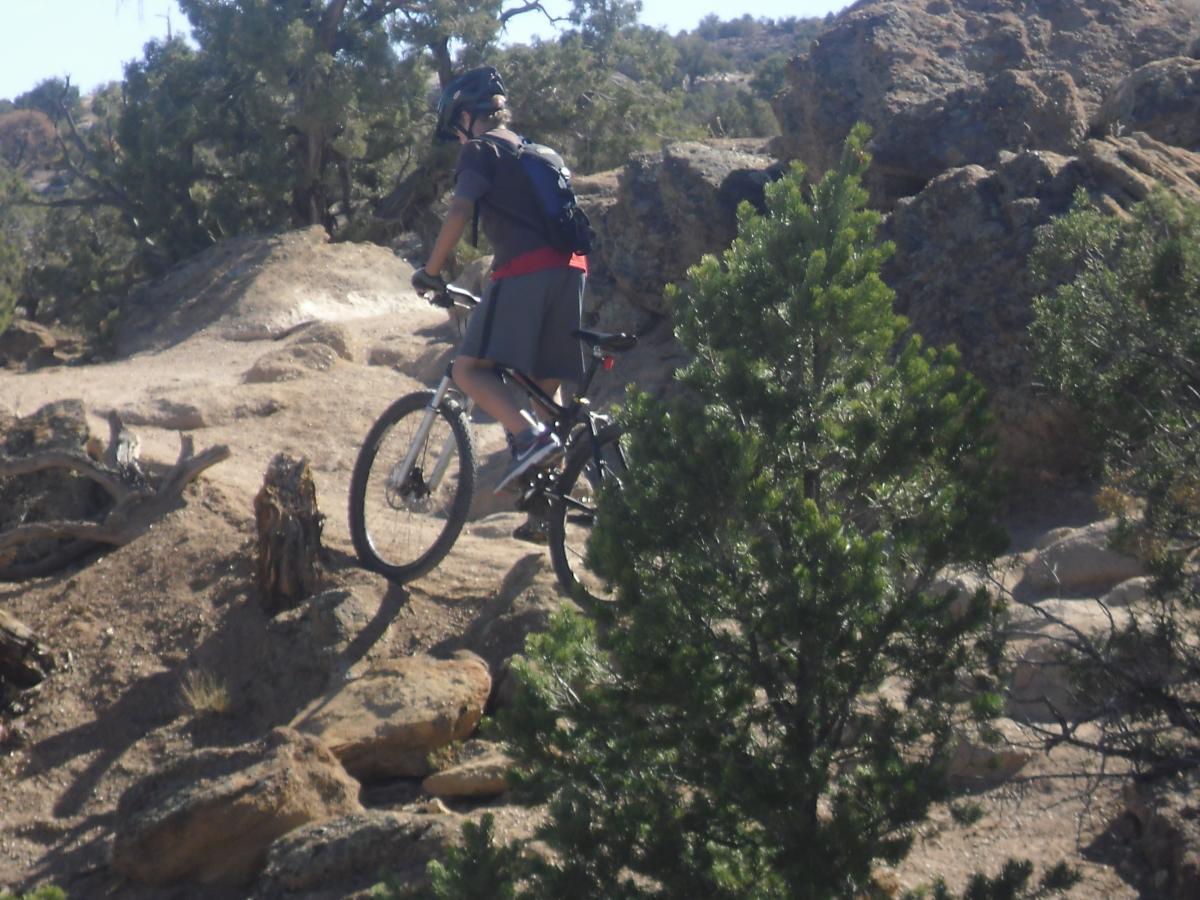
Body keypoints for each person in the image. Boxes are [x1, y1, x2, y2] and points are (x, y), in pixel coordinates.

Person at [412, 66, 588, 500]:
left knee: (468, 370)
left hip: (525, 271)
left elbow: (458, 212)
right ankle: (547, 508)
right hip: (574, 272)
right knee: (542, 397)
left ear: (466, 118)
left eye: (456, 129)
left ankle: (532, 440)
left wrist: (431, 273)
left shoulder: (480, 151)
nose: (458, 138)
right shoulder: (541, 154)